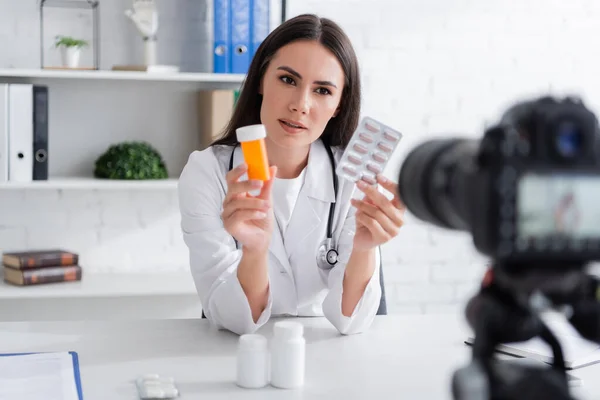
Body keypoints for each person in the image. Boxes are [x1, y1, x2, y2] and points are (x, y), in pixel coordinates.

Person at [178, 13, 405, 336]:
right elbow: (233, 320)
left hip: (326, 353)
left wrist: (365, 248)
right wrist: (255, 251)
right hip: (237, 355)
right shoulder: (206, 172)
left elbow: (349, 321)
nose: (301, 104)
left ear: (339, 104)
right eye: (288, 80)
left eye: (323, 90)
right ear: (260, 79)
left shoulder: (355, 176)